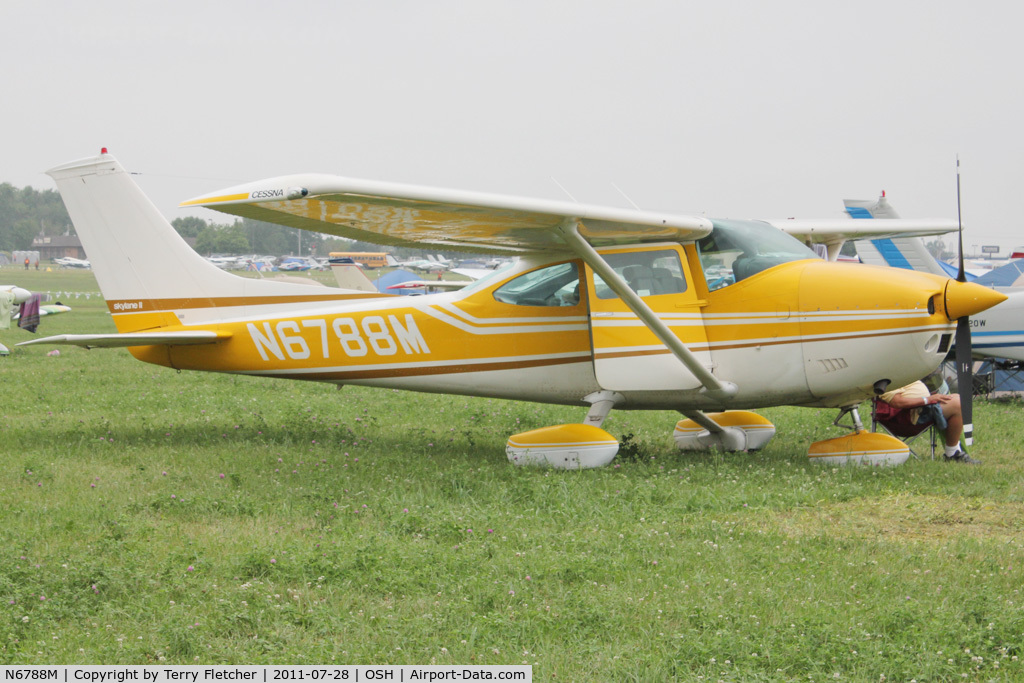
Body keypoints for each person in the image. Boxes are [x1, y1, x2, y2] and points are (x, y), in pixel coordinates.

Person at [878, 380, 979, 464]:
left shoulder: (900, 373)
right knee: (958, 404)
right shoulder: (887, 377)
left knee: (956, 397)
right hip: (908, 417)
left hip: (921, 408)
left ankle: (954, 451)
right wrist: (928, 399)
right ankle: (952, 453)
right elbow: (898, 402)